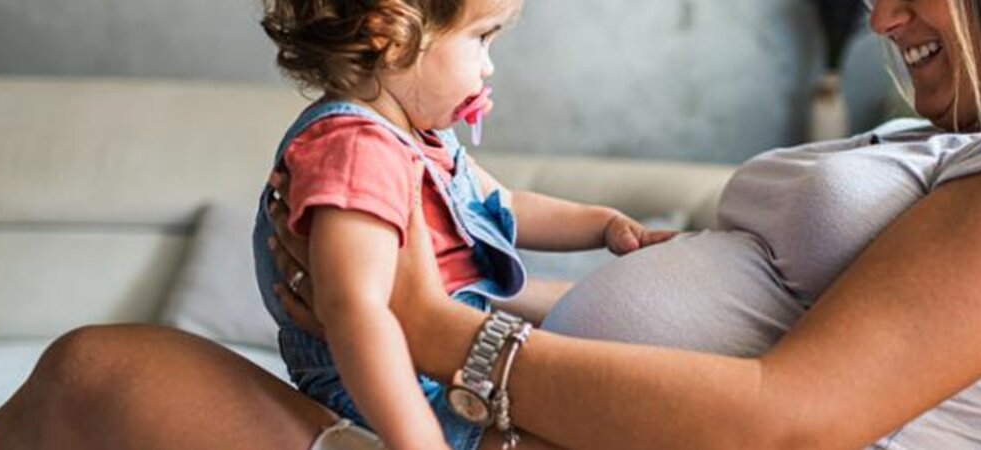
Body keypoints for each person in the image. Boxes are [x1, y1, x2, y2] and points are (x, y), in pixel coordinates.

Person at [0, 0, 981, 449]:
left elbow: (796, 419)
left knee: (96, 378)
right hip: (510, 405)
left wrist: (428, 329)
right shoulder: (959, 145)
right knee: (91, 383)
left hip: (518, 430)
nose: (884, 15)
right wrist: (479, 304)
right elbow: (733, 325)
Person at [250, 0, 677, 448]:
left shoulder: (417, 138)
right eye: (481, 38)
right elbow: (356, 310)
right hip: (391, 396)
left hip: (440, 369)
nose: (488, 67)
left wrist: (603, 225)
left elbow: (505, 203)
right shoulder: (357, 149)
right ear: (390, 37)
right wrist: (418, 440)